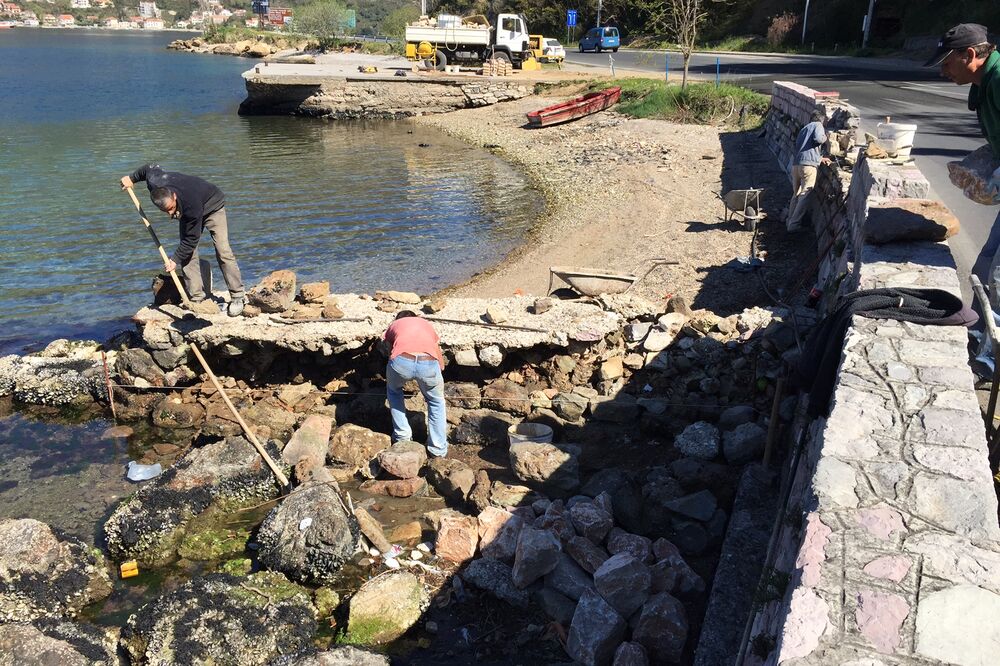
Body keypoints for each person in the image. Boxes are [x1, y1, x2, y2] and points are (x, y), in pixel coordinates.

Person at [120, 164, 245, 316]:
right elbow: (148, 168)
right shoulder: (155, 181)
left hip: (212, 206)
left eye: (172, 209)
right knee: (188, 256)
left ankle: (238, 296)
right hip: (188, 209)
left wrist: (174, 260)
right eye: (166, 211)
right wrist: (131, 178)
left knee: (222, 250)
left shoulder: (191, 204)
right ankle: (197, 299)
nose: (170, 214)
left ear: (174, 196)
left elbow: (190, 240)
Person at [382, 311, 448, 458]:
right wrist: (437, 373)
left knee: (394, 392)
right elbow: (437, 353)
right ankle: (438, 449)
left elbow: (389, 349)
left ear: (398, 319)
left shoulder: (394, 325)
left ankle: (402, 436)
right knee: (436, 401)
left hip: (402, 360)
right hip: (429, 362)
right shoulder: (426, 324)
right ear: (415, 317)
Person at [786, 111, 828, 233]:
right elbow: (818, 139)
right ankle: (794, 225)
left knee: (796, 194)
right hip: (808, 166)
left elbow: (803, 148)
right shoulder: (818, 125)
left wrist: (819, 158)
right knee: (805, 194)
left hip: (796, 164)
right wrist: (826, 137)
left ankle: (789, 220)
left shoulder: (804, 129)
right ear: (821, 119)